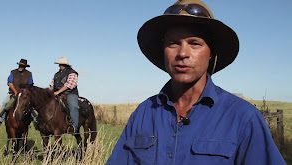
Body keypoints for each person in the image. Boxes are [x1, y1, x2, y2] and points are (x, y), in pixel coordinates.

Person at [106, 0, 286, 164]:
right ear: (163, 51)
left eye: (195, 43)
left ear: (211, 53)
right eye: (173, 43)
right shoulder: (144, 113)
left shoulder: (243, 118)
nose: (182, 53)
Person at [0, 59, 33, 127]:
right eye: (20, 65)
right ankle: (0, 119)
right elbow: (10, 83)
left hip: (24, 95)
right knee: (5, 103)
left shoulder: (29, 74)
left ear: (25, 67)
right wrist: (15, 92)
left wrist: (24, 93)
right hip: (13, 93)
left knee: (33, 106)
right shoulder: (13, 72)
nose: (21, 67)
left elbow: (30, 84)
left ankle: (35, 121)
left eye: (23, 66)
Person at [50, 57, 79, 133]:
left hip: (70, 93)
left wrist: (58, 92)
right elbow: (52, 84)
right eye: (59, 64)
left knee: (73, 106)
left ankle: (74, 126)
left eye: (61, 64)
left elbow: (69, 85)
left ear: (65, 65)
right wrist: (51, 90)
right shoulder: (56, 74)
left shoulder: (72, 73)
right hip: (57, 93)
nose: (60, 65)